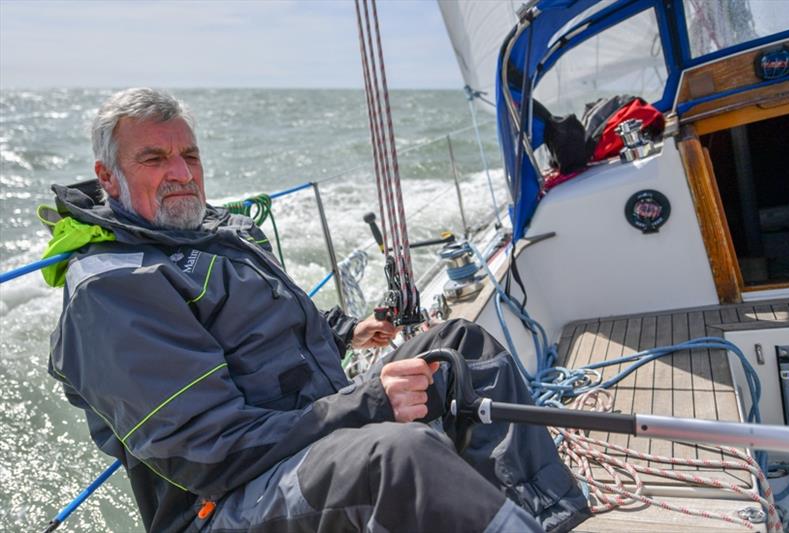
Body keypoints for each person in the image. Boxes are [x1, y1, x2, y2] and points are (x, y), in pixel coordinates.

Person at [46, 88, 589, 533]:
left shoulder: (207, 235)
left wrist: (351, 331)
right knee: (399, 456)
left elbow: (269, 331)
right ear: (108, 176)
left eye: (189, 155)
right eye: (154, 158)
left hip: (308, 429)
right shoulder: (113, 290)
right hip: (225, 503)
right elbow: (210, 454)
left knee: (460, 350)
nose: (182, 173)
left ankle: (546, 518)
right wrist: (365, 405)